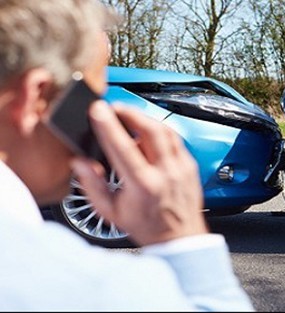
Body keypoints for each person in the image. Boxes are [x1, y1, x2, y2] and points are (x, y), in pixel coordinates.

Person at [0, 0, 254, 311]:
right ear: (36, 98)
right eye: (88, 100)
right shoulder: (82, 287)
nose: (94, 123)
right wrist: (182, 237)